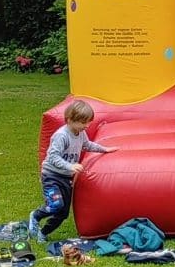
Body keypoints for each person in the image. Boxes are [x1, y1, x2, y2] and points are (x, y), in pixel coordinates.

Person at [29, 100, 117, 240]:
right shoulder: (61, 136)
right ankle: (36, 215)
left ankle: (43, 233)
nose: (86, 126)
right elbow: (52, 157)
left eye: (88, 122)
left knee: (63, 213)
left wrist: (104, 149)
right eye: (83, 122)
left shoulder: (80, 133)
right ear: (69, 120)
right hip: (52, 176)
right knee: (56, 205)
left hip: (66, 178)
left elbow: (87, 145)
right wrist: (70, 166)